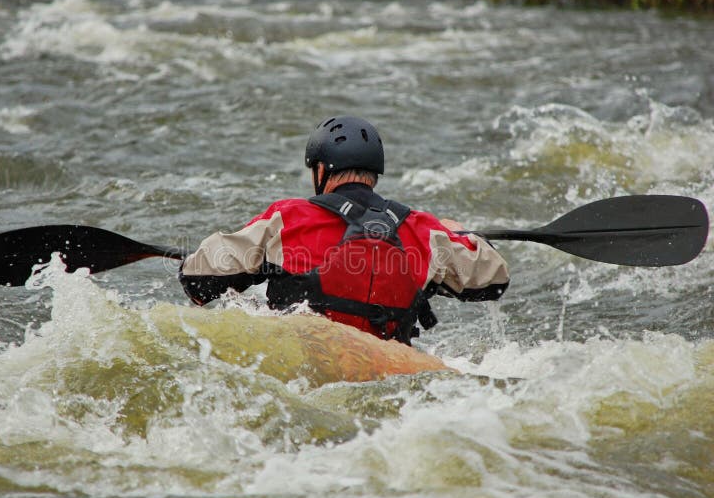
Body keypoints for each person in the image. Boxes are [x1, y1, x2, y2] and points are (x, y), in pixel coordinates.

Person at [180, 116, 510, 344]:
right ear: (374, 173)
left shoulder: (289, 217)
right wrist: (461, 233)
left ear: (321, 169)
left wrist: (248, 271)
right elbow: (493, 281)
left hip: (306, 368)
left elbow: (198, 277)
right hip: (390, 373)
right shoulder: (424, 229)